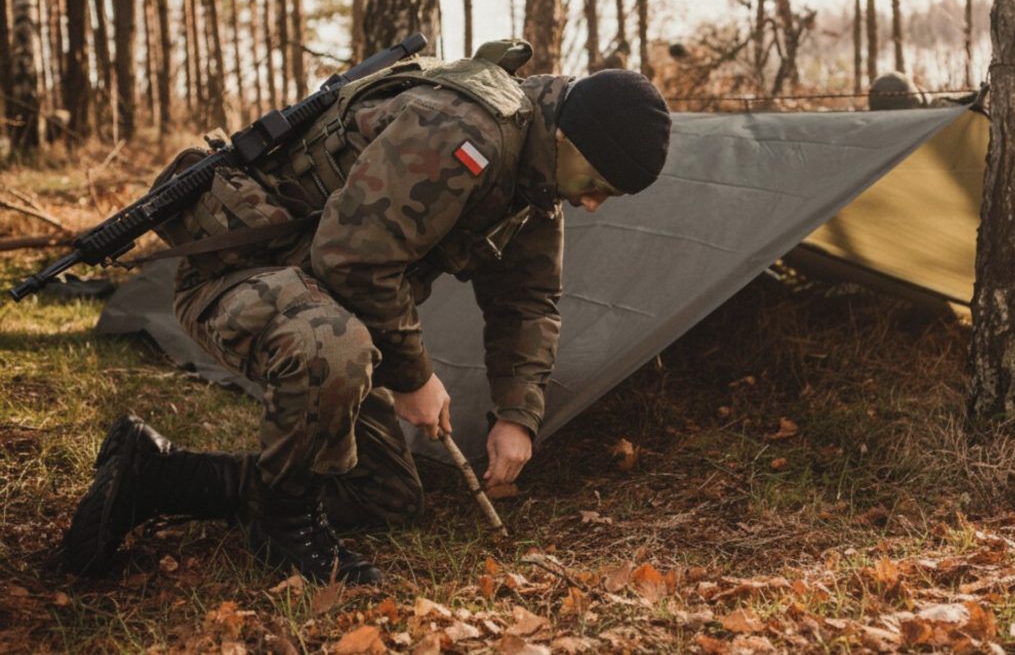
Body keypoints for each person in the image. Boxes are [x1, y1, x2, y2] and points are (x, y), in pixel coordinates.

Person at [60, 41, 672, 584]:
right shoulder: (462, 129)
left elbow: (528, 300)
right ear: (568, 137)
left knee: (383, 497)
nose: (592, 204)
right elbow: (352, 259)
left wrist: (518, 414)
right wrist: (413, 378)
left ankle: (152, 475)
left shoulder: (538, 181)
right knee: (336, 347)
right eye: (596, 184)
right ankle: (283, 527)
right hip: (241, 278)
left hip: (328, 299)